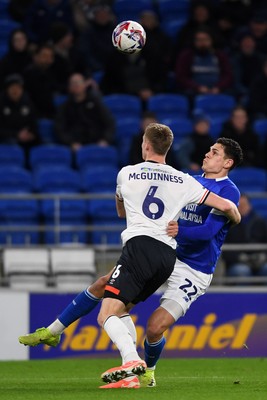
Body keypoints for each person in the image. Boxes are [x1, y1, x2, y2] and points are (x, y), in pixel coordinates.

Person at [19, 131, 241, 388]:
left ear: (227, 163)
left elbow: (208, 232)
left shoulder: (228, 190)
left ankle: (147, 370)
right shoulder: (188, 180)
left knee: (155, 327)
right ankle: (55, 332)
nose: (207, 153)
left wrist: (188, 228)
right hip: (168, 254)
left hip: (194, 268)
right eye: (209, 149)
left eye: (215, 152)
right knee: (104, 285)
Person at [55, 72, 115, 151]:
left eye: (78, 82)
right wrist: (71, 143)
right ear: (69, 87)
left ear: (85, 84)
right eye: (73, 83)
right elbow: (60, 129)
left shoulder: (96, 104)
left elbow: (109, 122)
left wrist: (105, 140)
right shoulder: (64, 107)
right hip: (76, 145)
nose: (76, 85)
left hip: (97, 143)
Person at [175, 28, 233, 96]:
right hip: (193, 92)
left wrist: (218, 87)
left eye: (205, 40)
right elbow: (181, 77)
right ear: (194, 42)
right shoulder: (187, 56)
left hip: (217, 91)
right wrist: (197, 87)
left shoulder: (220, 55)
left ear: (211, 40)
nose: (202, 43)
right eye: (199, 40)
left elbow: (228, 76)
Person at [223, 194, 267, 280]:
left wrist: (263, 256)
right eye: (239, 205)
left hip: (259, 260)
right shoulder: (229, 225)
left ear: (250, 206)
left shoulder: (261, 222)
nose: (242, 208)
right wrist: (240, 258)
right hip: (237, 262)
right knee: (242, 271)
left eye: (244, 205)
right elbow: (225, 251)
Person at [0, 74, 39, 156]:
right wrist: (16, 134)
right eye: (12, 88)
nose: (15, 91)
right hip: (6, 139)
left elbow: (33, 124)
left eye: (18, 88)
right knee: (12, 144)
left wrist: (31, 134)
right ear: (7, 89)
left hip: (25, 139)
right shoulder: (1, 104)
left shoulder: (28, 103)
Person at [23, 44, 57, 118]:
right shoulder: (30, 73)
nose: (48, 60)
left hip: (47, 111)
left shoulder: (51, 72)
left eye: (50, 57)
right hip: (34, 113)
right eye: (44, 56)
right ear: (35, 57)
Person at [232, 34, 265, 102]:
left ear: (254, 44)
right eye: (245, 42)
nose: (248, 45)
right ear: (241, 44)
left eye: (250, 42)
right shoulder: (235, 60)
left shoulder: (262, 59)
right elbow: (236, 81)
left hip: (260, 91)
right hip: (242, 93)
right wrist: (247, 92)